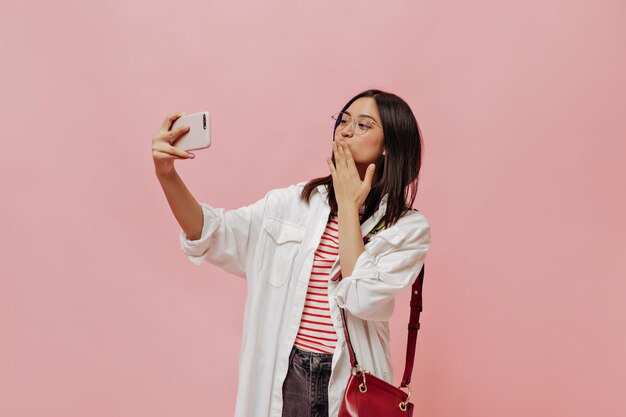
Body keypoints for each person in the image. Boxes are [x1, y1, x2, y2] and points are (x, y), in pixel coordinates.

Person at [152, 88, 432, 417]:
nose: (345, 130)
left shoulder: (407, 229)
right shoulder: (295, 202)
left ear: (389, 146)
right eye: (343, 120)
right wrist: (166, 175)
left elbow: (362, 298)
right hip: (285, 375)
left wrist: (347, 207)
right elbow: (214, 233)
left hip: (349, 385)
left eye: (362, 125)